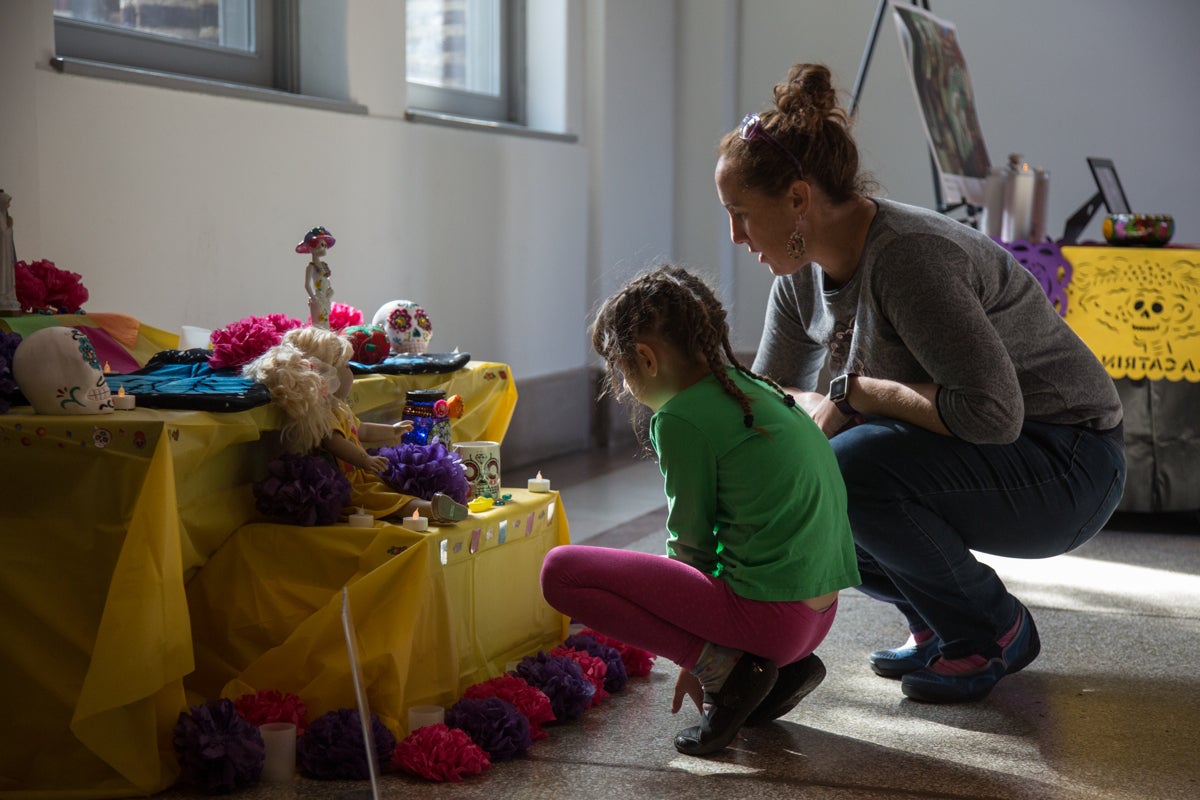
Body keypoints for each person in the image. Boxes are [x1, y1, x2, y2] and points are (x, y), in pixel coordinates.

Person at [714, 63, 1126, 703]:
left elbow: (991, 414)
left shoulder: (907, 258)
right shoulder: (798, 276)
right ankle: (940, 623)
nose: (736, 237)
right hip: (991, 453)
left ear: (798, 199)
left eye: (741, 215)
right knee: (808, 483)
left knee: (846, 469)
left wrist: (854, 395)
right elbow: (769, 403)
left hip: (1069, 461)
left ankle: (989, 629)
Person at [540, 265, 860, 755]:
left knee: (560, 572)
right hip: (817, 619)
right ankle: (757, 667)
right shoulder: (759, 391)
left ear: (645, 358)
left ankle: (729, 669)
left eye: (620, 373)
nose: (625, 389)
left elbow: (689, 545)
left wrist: (696, 662)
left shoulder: (681, 417)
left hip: (775, 623)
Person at [244, 326, 467, 523]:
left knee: (389, 488)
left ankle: (443, 501)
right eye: (347, 367)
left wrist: (392, 429)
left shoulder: (339, 409)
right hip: (348, 480)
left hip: (362, 473)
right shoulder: (325, 417)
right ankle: (432, 510)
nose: (352, 373)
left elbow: (362, 430)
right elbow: (336, 443)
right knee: (382, 498)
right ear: (326, 375)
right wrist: (365, 459)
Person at [298, 226, 336, 329]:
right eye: (321, 244)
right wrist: (314, 298)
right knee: (318, 325)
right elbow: (307, 285)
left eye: (324, 245)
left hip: (325, 298)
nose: (324, 247)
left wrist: (330, 292)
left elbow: (326, 280)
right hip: (317, 299)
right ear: (311, 247)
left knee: (326, 323)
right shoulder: (311, 267)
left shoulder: (324, 266)